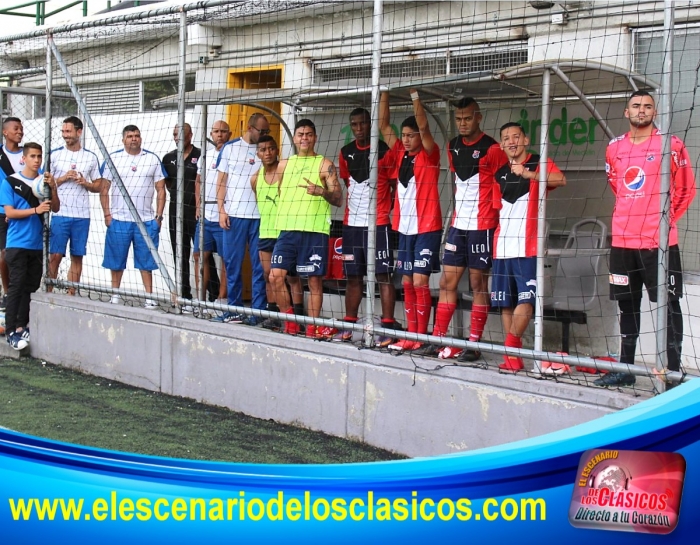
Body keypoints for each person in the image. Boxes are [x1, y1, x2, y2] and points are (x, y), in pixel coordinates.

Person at [597, 91, 696, 388]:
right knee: (627, 307)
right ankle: (625, 369)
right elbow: (616, 184)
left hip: (658, 244)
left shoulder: (671, 144)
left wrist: (663, 224)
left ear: (655, 112)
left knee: (669, 305)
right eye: (636, 106)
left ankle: (673, 373)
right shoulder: (614, 148)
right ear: (626, 112)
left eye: (648, 106)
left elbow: (685, 189)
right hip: (623, 242)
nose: (642, 110)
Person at [414, 97, 498, 361]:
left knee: (478, 284)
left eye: (467, 118)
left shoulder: (492, 148)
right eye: (459, 119)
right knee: (446, 281)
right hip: (458, 226)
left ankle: (474, 344)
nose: (462, 124)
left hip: (482, 226)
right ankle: (438, 338)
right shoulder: (452, 146)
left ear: (479, 117)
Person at [490, 122, 566, 373]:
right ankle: (514, 357)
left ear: (525, 140)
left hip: (528, 247)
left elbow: (560, 180)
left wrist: (528, 174)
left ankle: (511, 346)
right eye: (506, 138)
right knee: (506, 303)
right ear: (501, 144)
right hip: (501, 248)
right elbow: (495, 210)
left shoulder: (538, 163)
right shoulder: (498, 173)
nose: (511, 141)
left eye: (515, 136)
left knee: (527, 299)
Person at [378, 89, 442, 352]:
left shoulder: (430, 153)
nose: (405, 139)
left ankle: (421, 336)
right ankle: (410, 333)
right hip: (404, 229)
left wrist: (415, 96)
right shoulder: (398, 152)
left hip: (427, 227)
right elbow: (383, 125)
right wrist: (383, 91)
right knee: (405, 282)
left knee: (419, 281)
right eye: (403, 135)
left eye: (409, 135)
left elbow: (425, 126)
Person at [269, 119, 343, 338]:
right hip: (287, 231)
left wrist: (322, 192)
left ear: (315, 137)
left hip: (314, 231)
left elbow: (338, 199)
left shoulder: (324, 165)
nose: (304, 138)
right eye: (300, 134)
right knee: (275, 277)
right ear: (294, 138)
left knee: (314, 281)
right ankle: (290, 322)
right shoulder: (283, 164)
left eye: (308, 134)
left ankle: (312, 328)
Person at [333, 107, 398, 347]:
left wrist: (382, 210)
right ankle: (350, 325)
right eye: (355, 125)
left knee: (384, 276)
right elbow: (347, 183)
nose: (359, 129)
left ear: (371, 125)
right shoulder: (345, 153)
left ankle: (388, 326)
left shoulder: (385, 150)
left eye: (363, 124)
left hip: (379, 224)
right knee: (353, 276)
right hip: (352, 226)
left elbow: (393, 184)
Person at [0, 142, 60, 350]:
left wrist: (53, 188)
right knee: (16, 286)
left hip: (37, 244)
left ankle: (21, 326)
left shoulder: (43, 181)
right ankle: (10, 332)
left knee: (30, 286)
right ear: (24, 158)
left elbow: (56, 207)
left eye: (39, 157)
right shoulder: (11, 182)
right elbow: (9, 213)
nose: (36, 160)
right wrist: (36, 210)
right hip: (17, 243)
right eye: (33, 156)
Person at [100, 124, 166, 308]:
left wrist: (158, 217)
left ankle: (149, 297)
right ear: (123, 139)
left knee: (147, 261)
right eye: (130, 136)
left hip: (145, 221)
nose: (134, 138)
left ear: (141, 138)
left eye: (137, 135)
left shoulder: (152, 159)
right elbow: (104, 189)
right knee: (116, 259)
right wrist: (107, 214)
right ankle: (115, 294)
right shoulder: (113, 159)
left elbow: (161, 190)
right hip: (119, 220)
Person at [213, 113, 269, 325]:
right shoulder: (230, 148)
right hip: (235, 215)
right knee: (232, 263)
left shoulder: (266, 149)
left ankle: (258, 311)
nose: (263, 135)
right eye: (260, 131)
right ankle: (234, 309)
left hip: (260, 217)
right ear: (249, 127)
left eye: (266, 132)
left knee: (259, 266)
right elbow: (221, 181)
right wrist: (221, 210)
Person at [162, 122, 220, 311]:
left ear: (190, 136)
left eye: (182, 135)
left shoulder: (201, 155)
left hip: (195, 212)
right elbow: (167, 183)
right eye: (175, 134)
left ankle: (214, 295)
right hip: (175, 212)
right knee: (180, 254)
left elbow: (204, 181)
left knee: (203, 254)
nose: (178, 138)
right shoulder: (168, 158)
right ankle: (185, 295)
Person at [250, 135, 304, 330]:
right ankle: (273, 315)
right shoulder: (255, 178)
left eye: (271, 148)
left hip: (284, 232)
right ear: (258, 154)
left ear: (277, 150)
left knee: (291, 277)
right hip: (265, 232)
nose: (268, 153)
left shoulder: (286, 173)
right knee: (268, 275)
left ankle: (299, 316)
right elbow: (260, 203)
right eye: (263, 150)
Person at [47, 116, 103, 295]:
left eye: (68, 131)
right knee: (55, 255)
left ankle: (72, 294)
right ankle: (49, 292)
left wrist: (85, 183)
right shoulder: (54, 155)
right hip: (60, 213)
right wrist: (63, 178)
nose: (65, 135)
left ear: (79, 132)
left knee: (77, 255)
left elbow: (99, 185)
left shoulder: (90, 157)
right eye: (63, 131)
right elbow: (44, 183)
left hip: (82, 215)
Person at [193, 120, 229, 311]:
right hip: (206, 216)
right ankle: (201, 297)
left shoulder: (232, 155)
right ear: (211, 134)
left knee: (226, 258)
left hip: (225, 217)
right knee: (199, 254)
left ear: (229, 134)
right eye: (216, 131)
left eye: (223, 131)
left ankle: (222, 299)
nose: (220, 135)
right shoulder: (204, 157)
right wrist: (198, 205)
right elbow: (198, 181)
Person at [0, 117, 25, 310]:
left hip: (25, 211)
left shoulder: (28, 155)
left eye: (21, 129)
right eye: (16, 128)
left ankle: (21, 293)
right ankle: (8, 293)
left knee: (23, 254)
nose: (20, 132)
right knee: (4, 255)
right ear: (5, 132)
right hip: (3, 211)